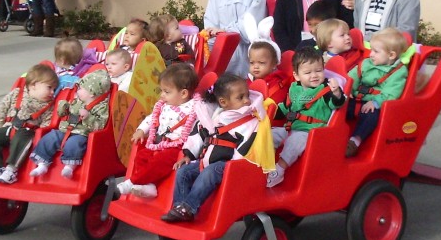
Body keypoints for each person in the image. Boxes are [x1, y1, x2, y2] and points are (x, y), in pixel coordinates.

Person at [161, 73, 267, 222]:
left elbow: (249, 144)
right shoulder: (215, 116)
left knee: (210, 172)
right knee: (183, 171)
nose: (247, 100)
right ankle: (180, 207)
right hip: (207, 161)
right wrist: (188, 155)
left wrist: (235, 165)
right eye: (240, 97)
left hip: (229, 165)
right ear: (223, 102)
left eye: (247, 95)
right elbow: (198, 134)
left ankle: (189, 207)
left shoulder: (249, 121)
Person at [117, 64, 200, 198]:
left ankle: (132, 182)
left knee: (161, 160)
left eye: (167, 92)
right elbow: (152, 118)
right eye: (161, 91)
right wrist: (141, 130)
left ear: (184, 93)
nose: (162, 95)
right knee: (142, 156)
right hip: (159, 142)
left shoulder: (194, 110)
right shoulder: (164, 105)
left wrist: (190, 153)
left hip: (177, 147)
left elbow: (197, 134)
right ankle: (149, 186)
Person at [267, 47, 346, 188]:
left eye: (318, 71)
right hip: (290, 127)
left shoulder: (325, 89)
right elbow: (286, 106)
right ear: (297, 76)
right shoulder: (294, 88)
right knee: (267, 135)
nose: (314, 75)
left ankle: (279, 170)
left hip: (311, 132)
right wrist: (268, 113)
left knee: (293, 143)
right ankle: (264, 163)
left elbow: (336, 104)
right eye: (308, 72)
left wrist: (337, 94)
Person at [30, 69, 111, 179]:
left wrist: (88, 117)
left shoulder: (101, 107)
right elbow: (64, 114)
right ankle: (42, 164)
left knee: (74, 143)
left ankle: (69, 166)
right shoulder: (78, 101)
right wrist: (64, 108)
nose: (77, 91)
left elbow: (100, 125)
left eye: (81, 89)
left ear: (91, 92)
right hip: (66, 129)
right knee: (50, 137)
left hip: (82, 133)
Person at [0, 64, 59, 184]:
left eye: (54, 89)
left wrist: (40, 134)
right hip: (9, 127)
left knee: (20, 139)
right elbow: (3, 108)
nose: (52, 92)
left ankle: (11, 170)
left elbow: (47, 122)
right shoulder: (17, 94)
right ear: (33, 85)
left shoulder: (48, 105)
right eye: (49, 87)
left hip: (28, 131)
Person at [346, 28, 408, 157]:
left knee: (371, 117)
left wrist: (376, 102)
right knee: (339, 106)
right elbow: (352, 77)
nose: (371, 54)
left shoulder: (398, 72)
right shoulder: (366, 63)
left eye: (376, 51)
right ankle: (329, 132)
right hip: (356, 98)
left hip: (374, 104)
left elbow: (391, 93)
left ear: (391, 55)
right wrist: (348, 90)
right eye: (371, 50)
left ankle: (354, 141)